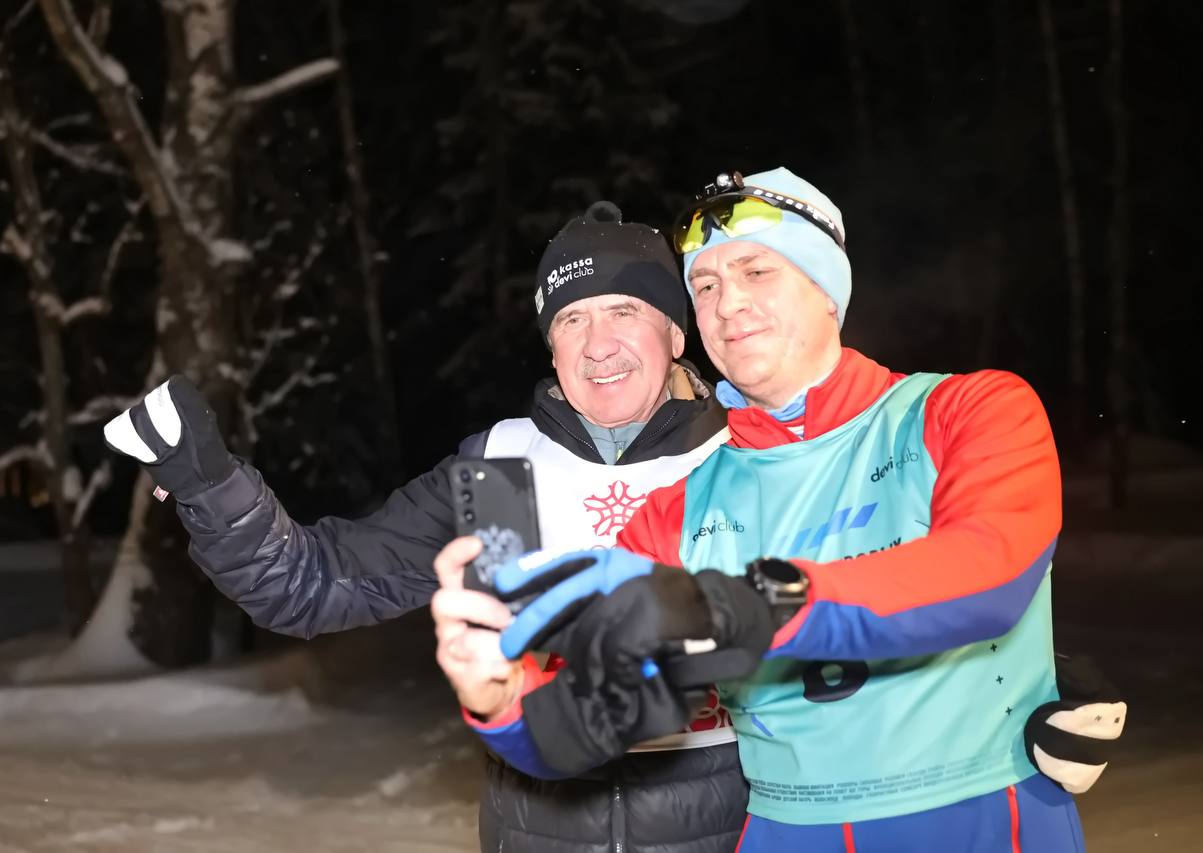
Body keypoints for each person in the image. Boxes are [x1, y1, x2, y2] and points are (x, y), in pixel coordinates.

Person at [451, 168, 1127, 852]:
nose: (728, 303)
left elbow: (989, 577)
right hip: (788, 830)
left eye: (757, 271)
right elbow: (593, 711)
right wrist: (503, 698)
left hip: (980, 818)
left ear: (827, 291)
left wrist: (747, 604)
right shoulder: (677, 510)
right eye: (704, 286)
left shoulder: (966, 411)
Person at [102, 201, 748, 853]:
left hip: (721, 826)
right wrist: (209, 483)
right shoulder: (499, 470)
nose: (598, 344)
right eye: (571, 318)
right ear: (551, 346)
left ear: (675, 333)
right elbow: (310, 585)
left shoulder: (748, 456)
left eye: (624, 310)